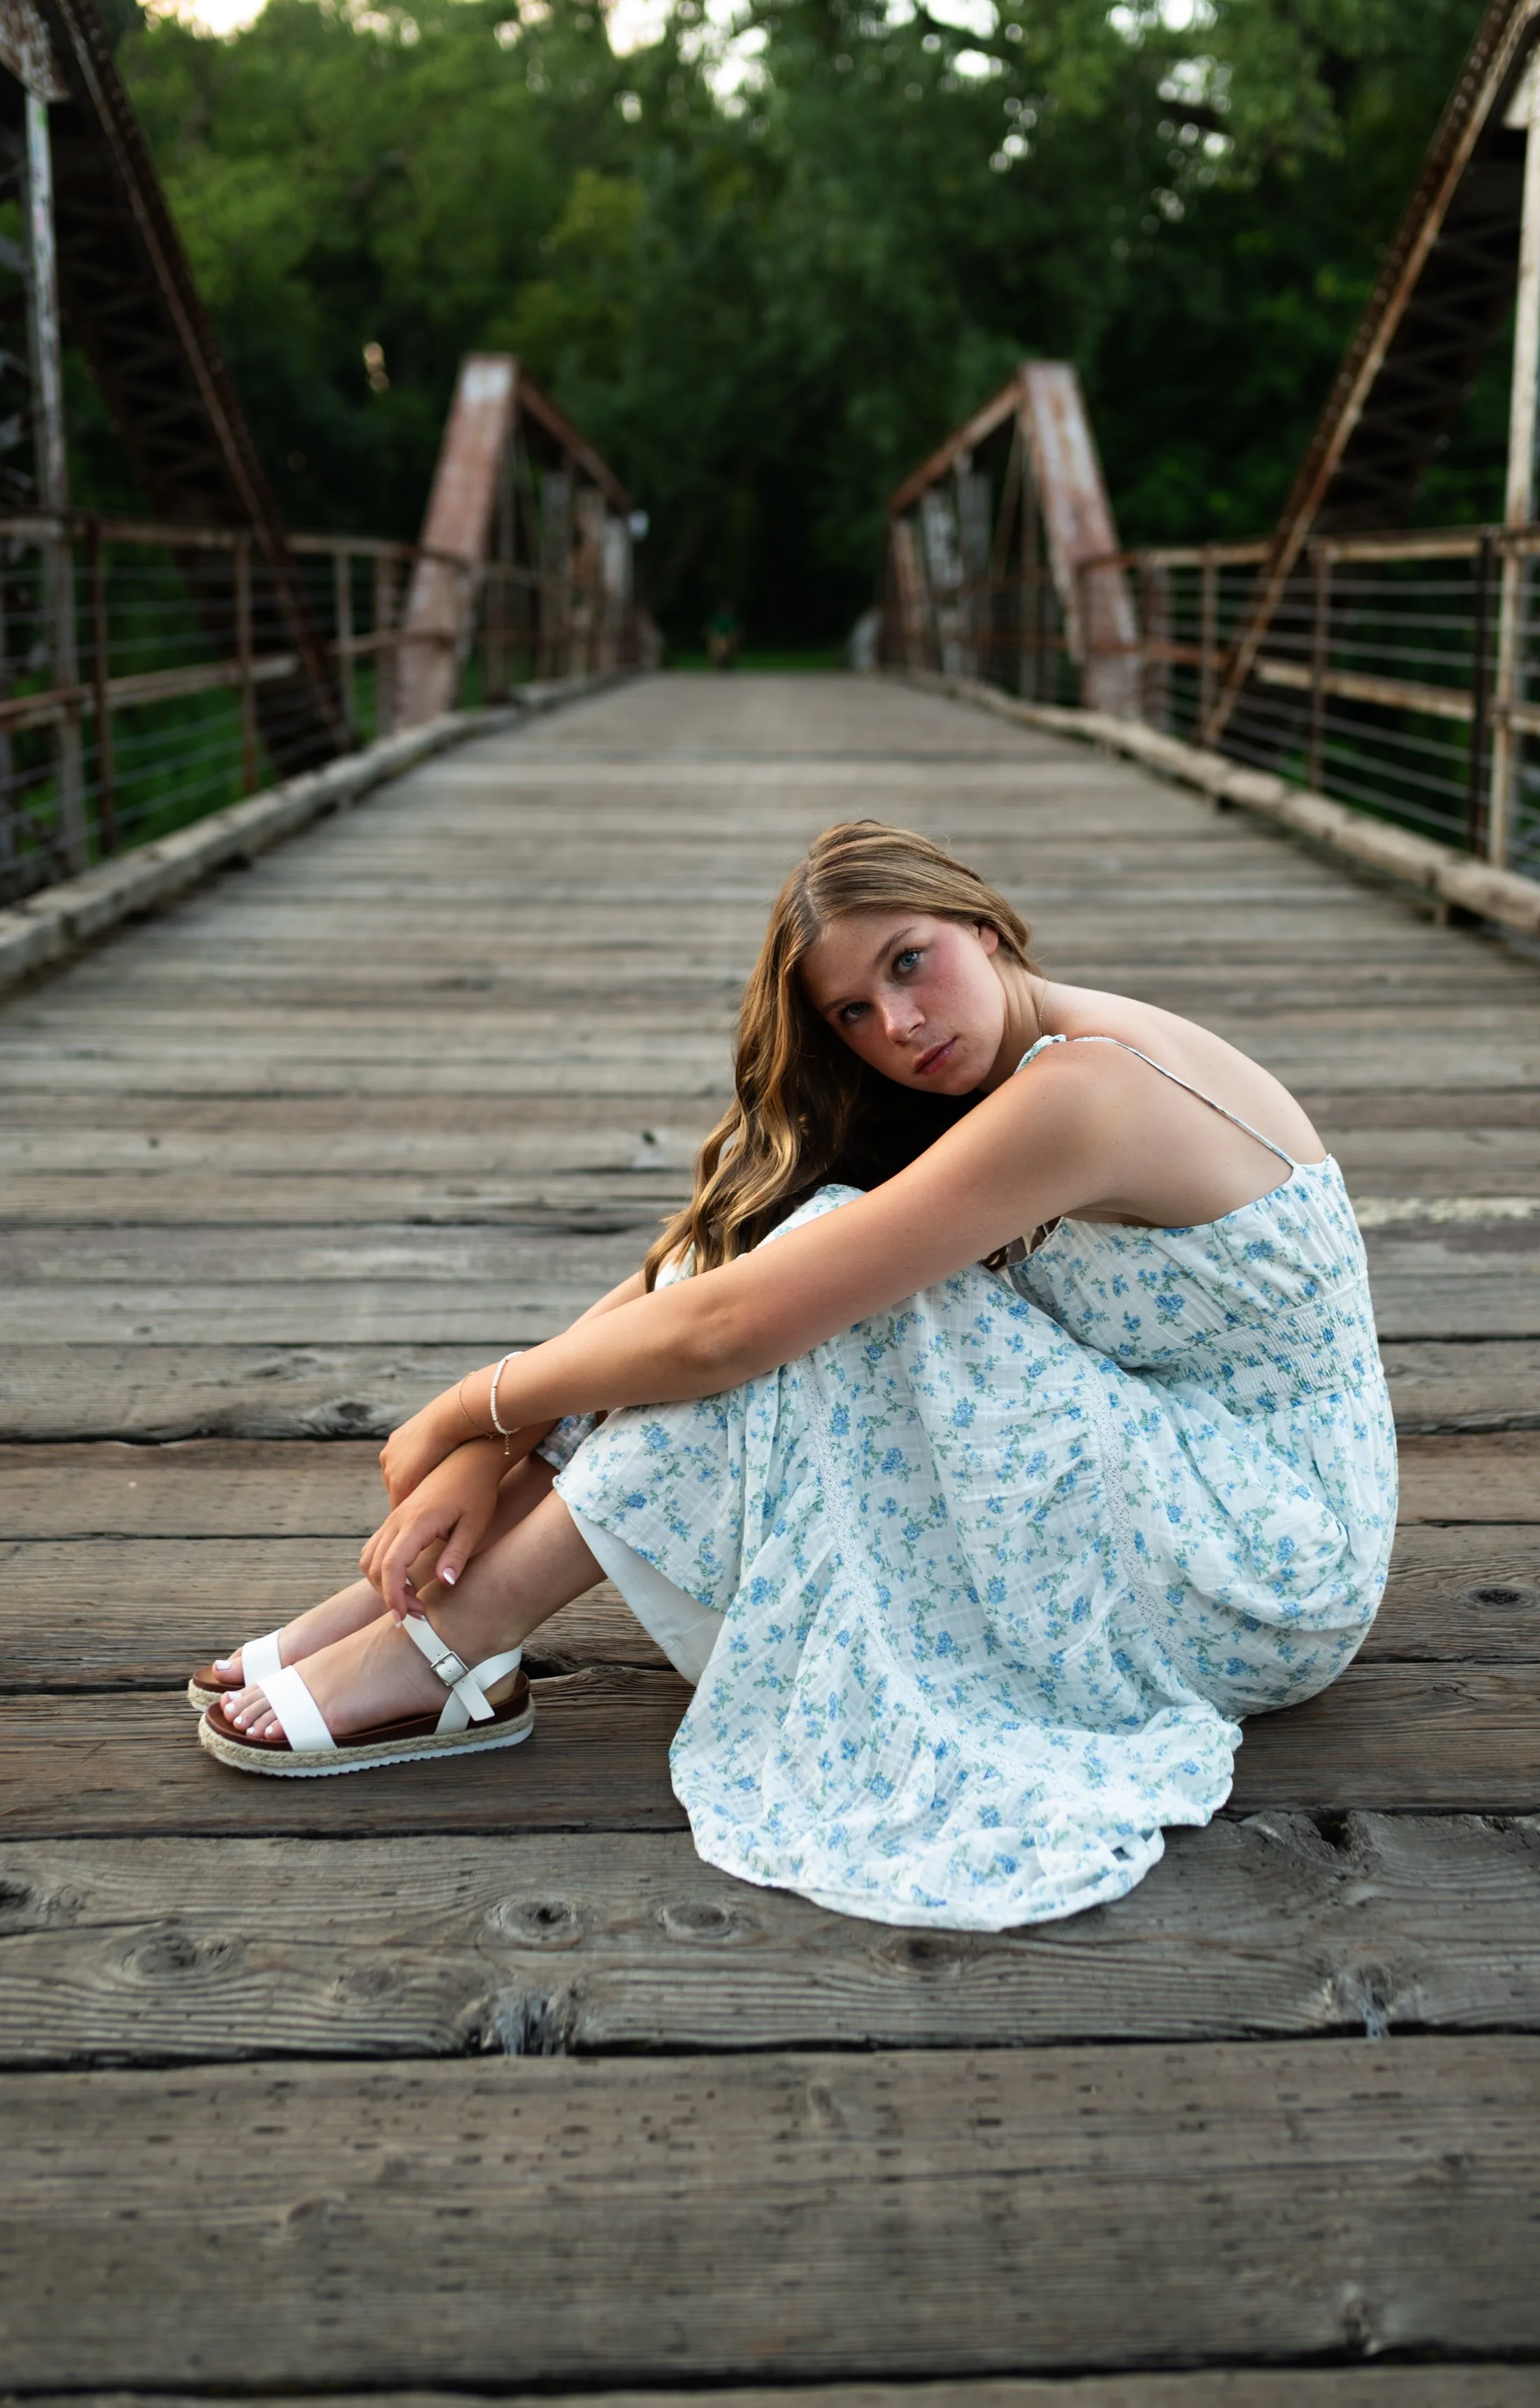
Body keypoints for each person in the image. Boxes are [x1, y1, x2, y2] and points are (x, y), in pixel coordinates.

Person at [193, 822, 1395, 1930]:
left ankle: (454, 1629)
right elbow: (709, 1267)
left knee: (824, 1315)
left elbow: (735, 1330)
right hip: (1171, 1480)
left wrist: (469, 1406)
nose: (899, 1025)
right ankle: (421, 1601)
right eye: (856, 1015)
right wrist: (493, 1442)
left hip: (1265, 1557)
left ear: (984, 924)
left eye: (912, 963)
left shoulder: (1086, 1092)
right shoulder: (1002, 1067)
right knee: (804, 1249)